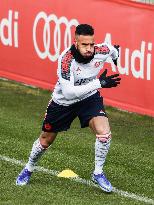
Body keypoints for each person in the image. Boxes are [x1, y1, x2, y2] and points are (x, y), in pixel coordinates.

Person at [16, 24, 121, 192]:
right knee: (45, 141)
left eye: (91, 44)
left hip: (88, 98)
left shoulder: (101, 50)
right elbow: (70, 93)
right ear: (76, 43)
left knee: (104, 134)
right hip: (63, 103)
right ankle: (28, 168)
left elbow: (114, 50)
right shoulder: (66, 60)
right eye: (84, 45)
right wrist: (98, 83)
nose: (89, 49)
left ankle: (98, 173)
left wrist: (116, 57)